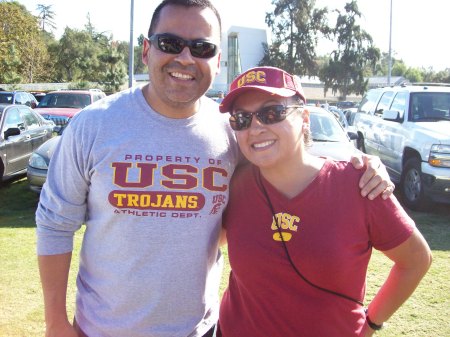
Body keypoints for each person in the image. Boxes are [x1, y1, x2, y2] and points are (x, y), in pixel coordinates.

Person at [36, 1, 393, 336]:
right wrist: (55, 323)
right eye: (170, 43)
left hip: (200, 330)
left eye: (202, 48)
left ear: (218, 61)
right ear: (147, 50)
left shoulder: (233, 131)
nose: (185, 58)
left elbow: (287, 167)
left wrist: (359, 167)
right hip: (102, 329)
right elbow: (55, 223)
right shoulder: (93, 124)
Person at [217, 66, 432, 337]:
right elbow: (208, 241)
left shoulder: (360, 184)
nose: (256, 127)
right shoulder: (233, 184)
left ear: (304, 119)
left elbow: (416, 260)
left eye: (272, 113)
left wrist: (372, 322)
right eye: (241, 119)